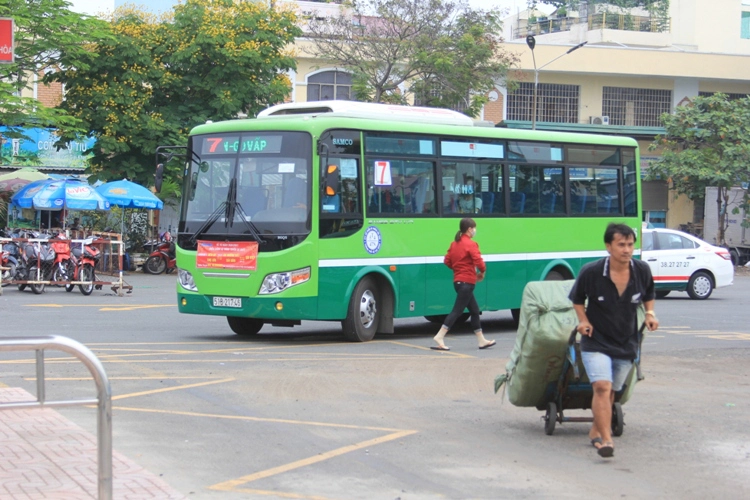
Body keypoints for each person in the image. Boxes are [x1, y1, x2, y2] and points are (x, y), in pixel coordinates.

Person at [569, 222, 659, 458]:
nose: (627, 249)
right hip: (595, 341)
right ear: (608, 246)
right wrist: (583, 320)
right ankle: (606, 439)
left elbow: (649, 294)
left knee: (612, 392)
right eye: (621, 245)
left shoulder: (642, 271)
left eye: (630, 244)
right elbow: (577, 299)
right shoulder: (591, 272)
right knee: (601, 386)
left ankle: (595, 431)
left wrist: (650, 314)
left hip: (626, 342)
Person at [432, 218, 496, 351]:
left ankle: (481, 340)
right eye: (474, 228)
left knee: (474, 310)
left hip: (458, 282)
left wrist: (458, 269)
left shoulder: (454, 244)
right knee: (457, 311)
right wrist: (482, 272)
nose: (475, 231)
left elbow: (447, 261)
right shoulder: (471, 244)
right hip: (467, 283)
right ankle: (439, 336)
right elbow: (479, 261)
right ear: (469, 229)